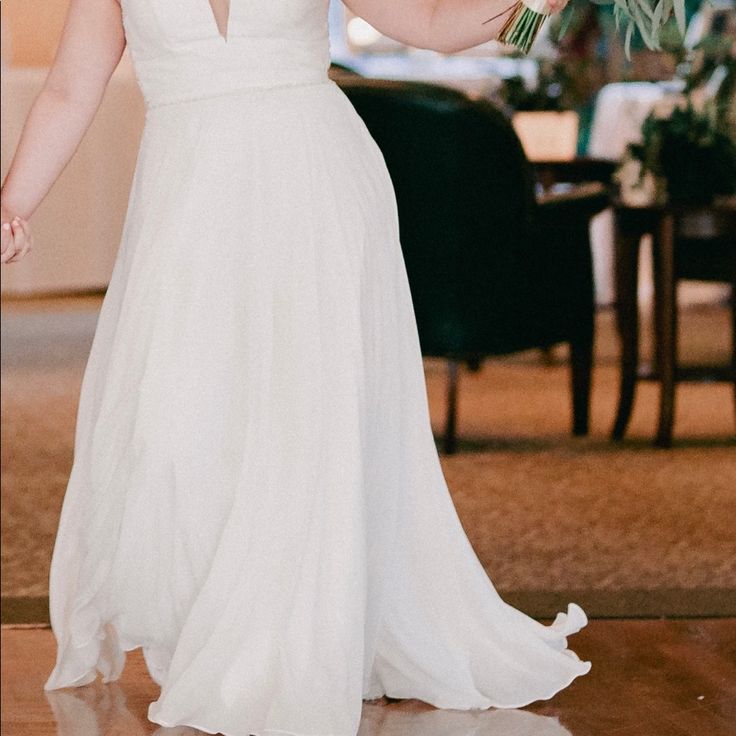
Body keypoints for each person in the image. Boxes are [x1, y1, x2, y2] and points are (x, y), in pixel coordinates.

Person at [1, 1, 589, 735]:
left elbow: (435, 24)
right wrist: (11, 205)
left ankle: (292, 638)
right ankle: (219, 626)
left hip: (314, 188)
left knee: (303, 420)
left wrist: (534, 6)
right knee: (178, 425)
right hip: (189, 202)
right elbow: (67, 88)